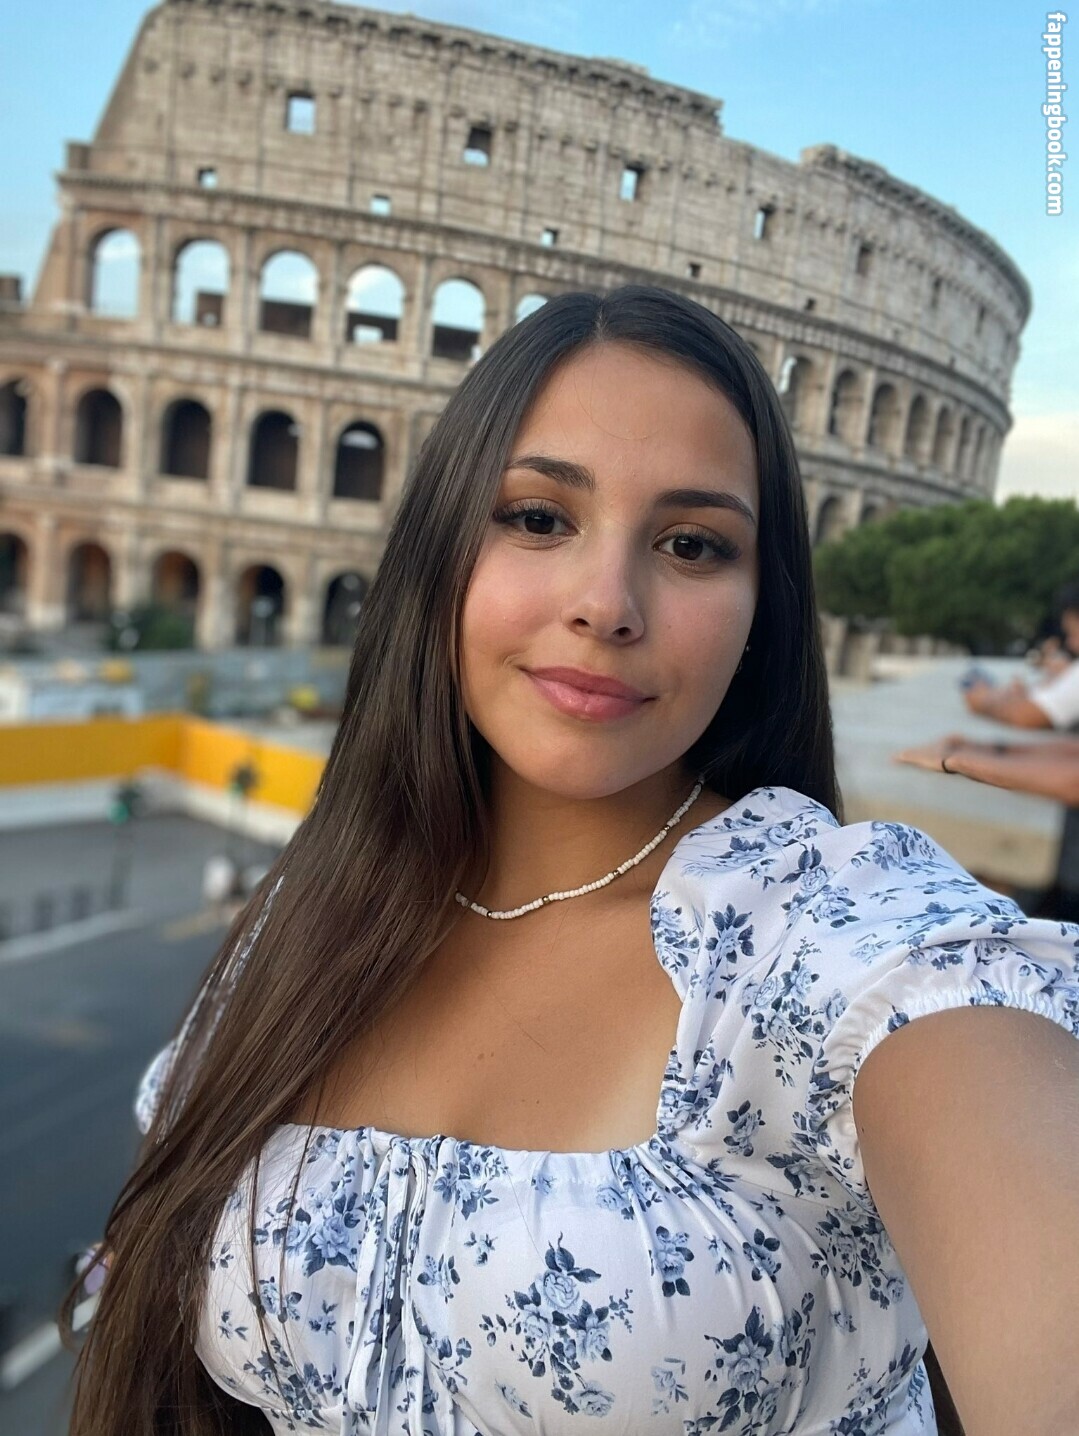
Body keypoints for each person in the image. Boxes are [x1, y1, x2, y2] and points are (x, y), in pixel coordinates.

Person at [61, 287, 1079, 1436]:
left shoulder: (827, 937)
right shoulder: (311, 910)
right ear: (439, 549)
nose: (605, 605)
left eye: (690, 544)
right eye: (538, 517)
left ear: (762, 606)